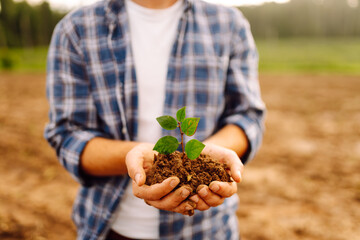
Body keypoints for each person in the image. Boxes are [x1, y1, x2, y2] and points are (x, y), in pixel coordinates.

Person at [44, 0, 266, 239]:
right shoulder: (76, 29)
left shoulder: (228, 24)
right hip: (108, 225)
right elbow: (69, 135)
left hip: (207, 229)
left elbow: (247, 116)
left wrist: (207, 158)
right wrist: (138, 158)